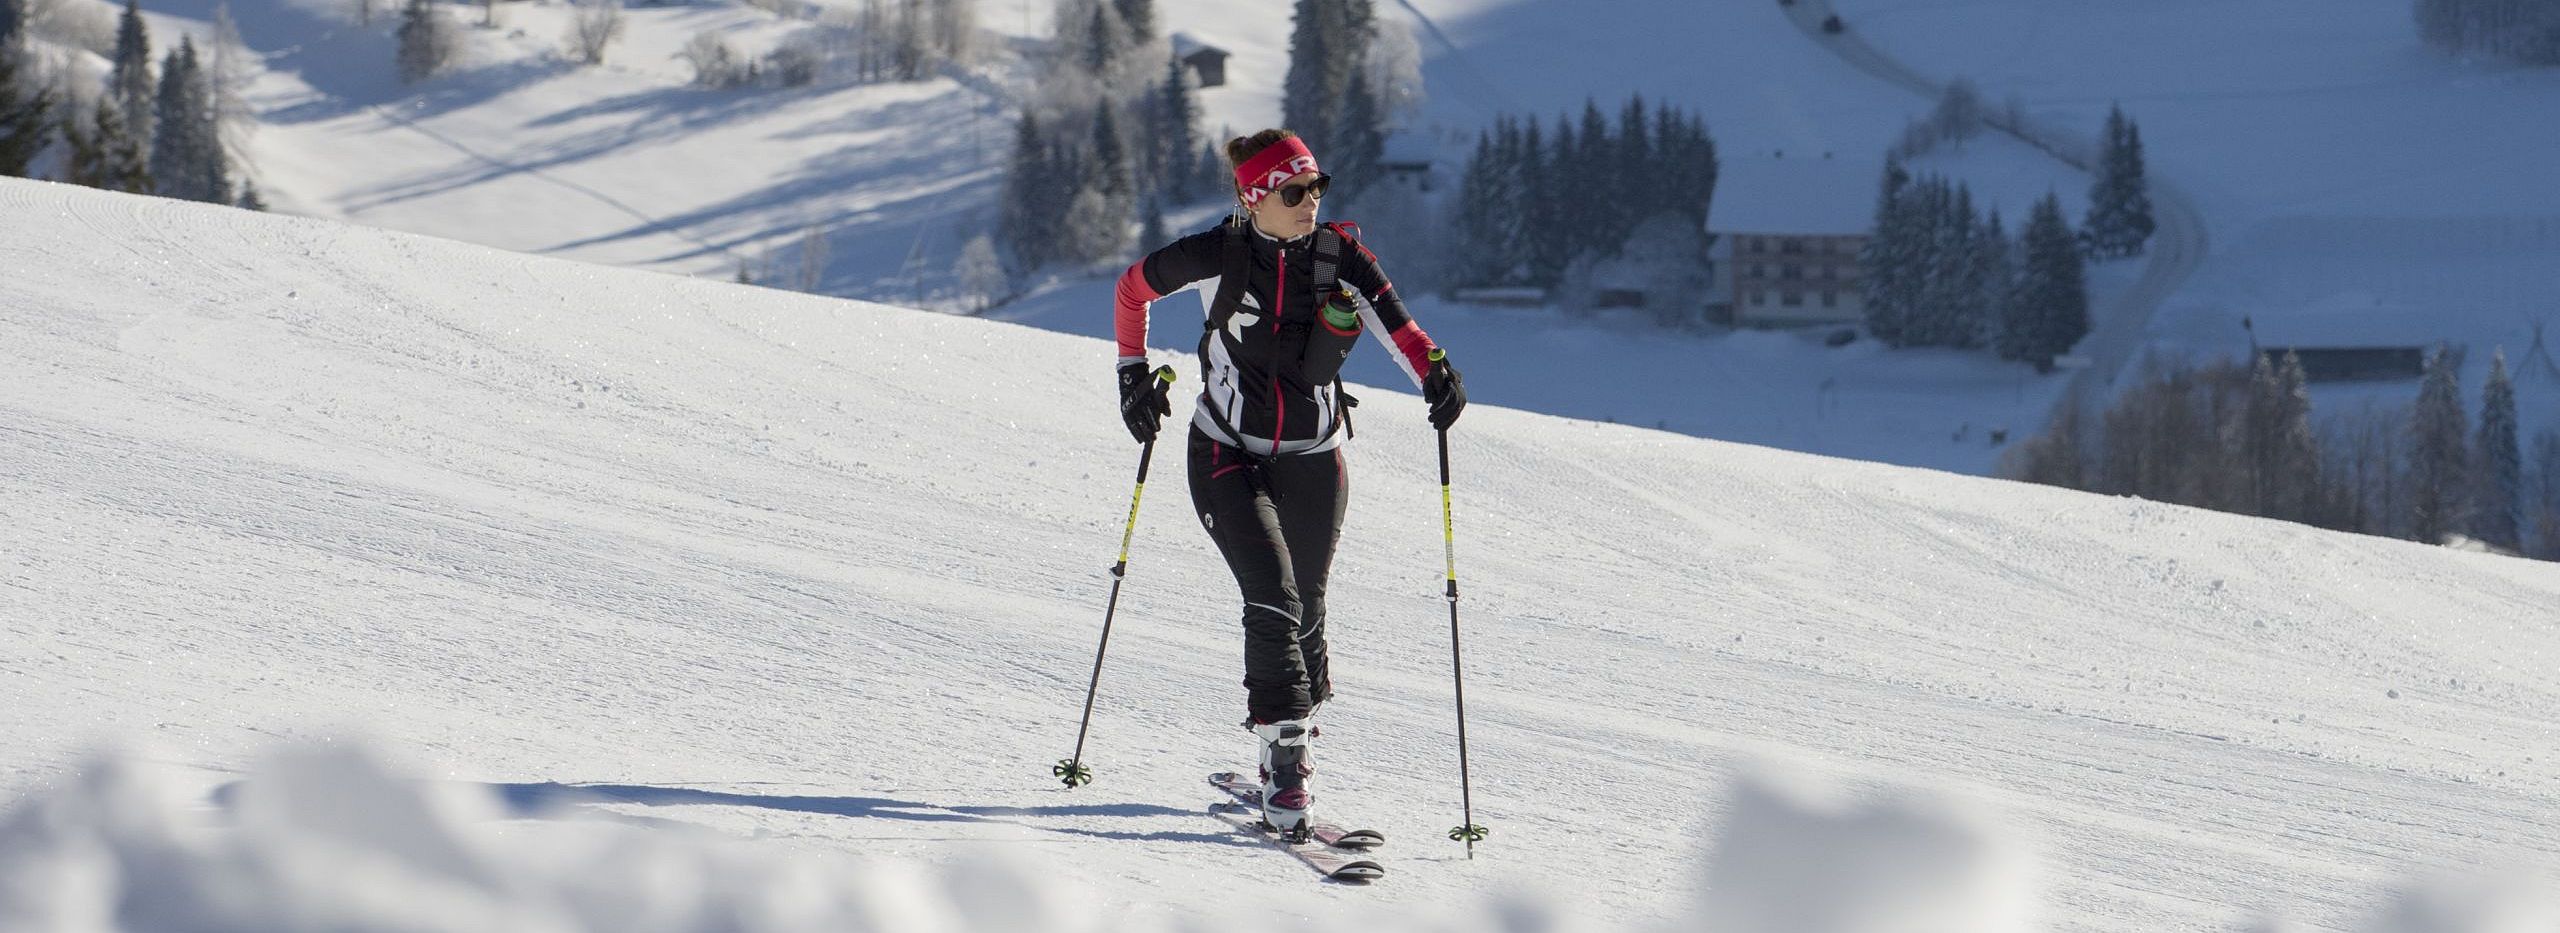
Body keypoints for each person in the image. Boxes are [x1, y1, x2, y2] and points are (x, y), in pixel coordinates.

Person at [1110, 128, 1466, 839]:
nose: (1311, 203)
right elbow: (1131, 289)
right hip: (1225, 452)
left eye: (1316, 189)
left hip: (1314, 456)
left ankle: (1288, 729)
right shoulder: (1219, 252)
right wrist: (1131, 375)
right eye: (1293, 191)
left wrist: (1436, 371)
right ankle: (1286, 763)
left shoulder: (1341, 256)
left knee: (1307, 611)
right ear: (1254, 198)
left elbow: (1402, 329)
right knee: (1271, 595)